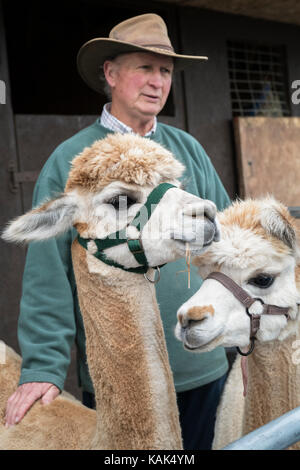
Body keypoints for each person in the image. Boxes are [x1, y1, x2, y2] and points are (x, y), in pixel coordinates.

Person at [5, 13, 231, 449]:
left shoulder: (188, 150)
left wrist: (243, 335)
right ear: (110, 73)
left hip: (201, 363)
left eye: (164, 71)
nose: (157, 81)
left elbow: (225, 242)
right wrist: (43, 369)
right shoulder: (74, 161)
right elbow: (48, 273)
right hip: (123, 374)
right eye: (144, 67)